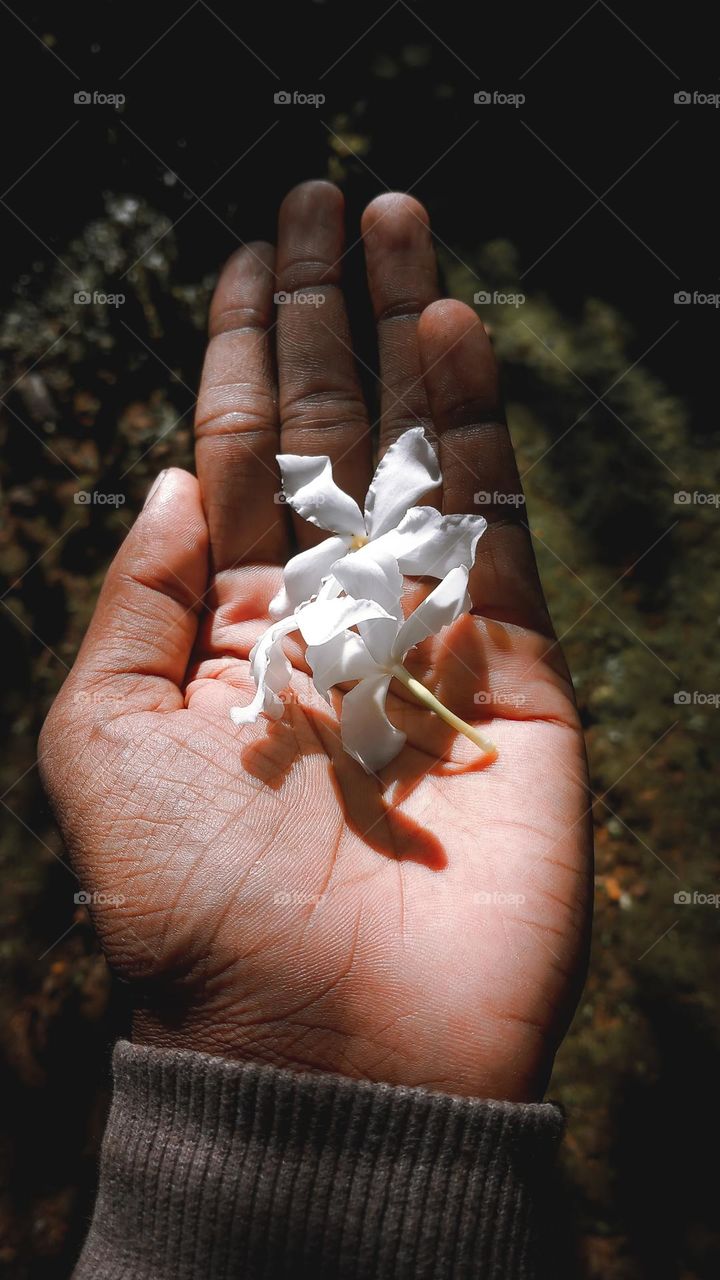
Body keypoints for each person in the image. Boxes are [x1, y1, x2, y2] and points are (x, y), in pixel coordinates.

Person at [39, 181, 592, 1278]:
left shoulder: (379, 615)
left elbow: (372, 600)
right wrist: (267, 693)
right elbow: (315, 630)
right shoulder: (337, 630)